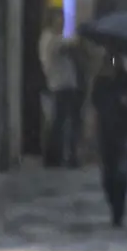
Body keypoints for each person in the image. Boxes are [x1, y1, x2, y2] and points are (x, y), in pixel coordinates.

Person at [91, 55, 127, 227]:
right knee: (108, 174)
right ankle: (113, 203)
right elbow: (96, 104)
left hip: (124, 131)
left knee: (121, 173)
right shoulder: (101, 81)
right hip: (106, 131)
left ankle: (119, 211)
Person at [39, 11, 82, 167]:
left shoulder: (54, 38)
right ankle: (55, 157)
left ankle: (59, 156)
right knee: (60, 123)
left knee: (61, 121)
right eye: (59, 20)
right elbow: (67, 44)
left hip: (64, 85)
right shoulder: (50, 39)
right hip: (60, 86)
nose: (62, 24)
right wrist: (79, 36)